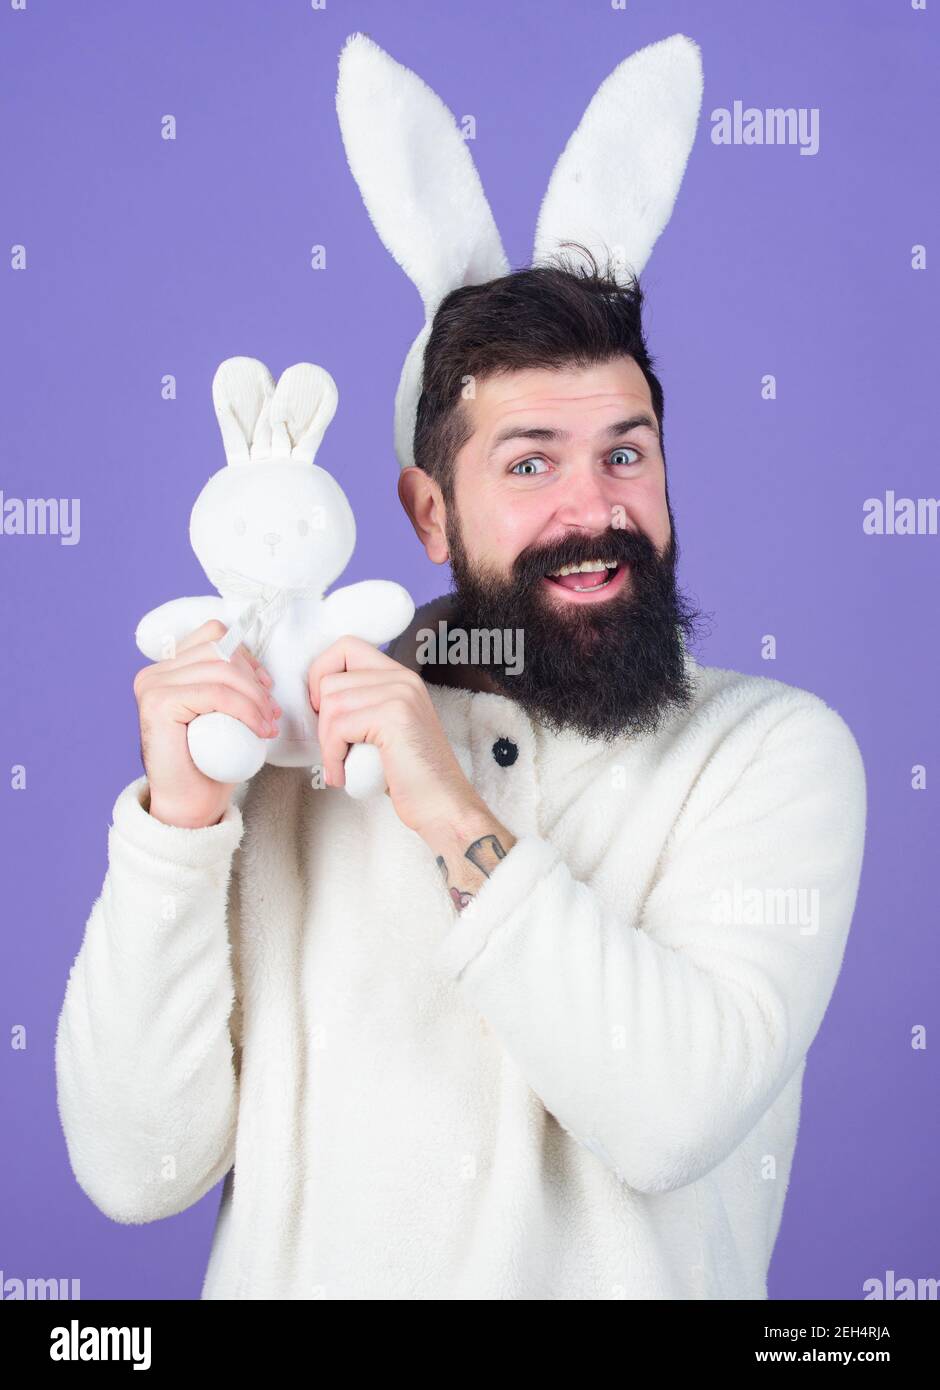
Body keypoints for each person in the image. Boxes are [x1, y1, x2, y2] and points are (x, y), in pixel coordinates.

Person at [55, 255, 866, 1300]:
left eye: (625, 453)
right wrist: (178, 828)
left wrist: (447, 809)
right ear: (429, 512)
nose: (592, 508)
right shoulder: (286, 751)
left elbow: (672, 1119)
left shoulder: (769, 749)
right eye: (529, 465)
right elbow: (133, 1171)